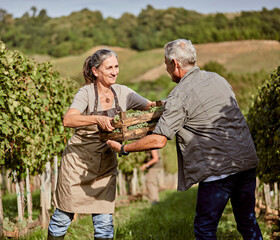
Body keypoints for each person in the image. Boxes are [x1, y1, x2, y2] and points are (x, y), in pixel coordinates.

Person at [107, 39, 263, 239]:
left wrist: (123, 148)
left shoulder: (180, 95)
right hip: (246, 161)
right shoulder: (217, 79)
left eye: (166, 64)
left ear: (175, 63)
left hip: (219, 170)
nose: (166, 69)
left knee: (205, 229)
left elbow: (158, 140)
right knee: (247, 222)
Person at [48, 48, 155, 240]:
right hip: (77, 164)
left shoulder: (124, 93)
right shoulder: (86, 93)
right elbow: (69, 120)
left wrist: (172, 103)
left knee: (104, 223)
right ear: (96, 71)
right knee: (63, 217)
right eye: (109, 68)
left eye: (116, 67)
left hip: (105, 165)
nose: (115, 72)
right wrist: (96, 119)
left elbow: (151, 106)